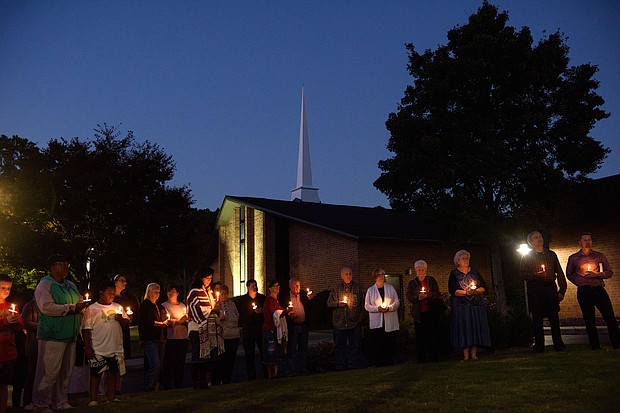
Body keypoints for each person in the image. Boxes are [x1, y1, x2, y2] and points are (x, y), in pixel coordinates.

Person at [32, 254, 86, 413]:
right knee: (49, 371)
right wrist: (70, 308)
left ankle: (61, 401)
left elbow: (79, 301)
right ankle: (41, 404)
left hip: (70, 334)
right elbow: (46, 307)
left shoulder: (70, 285)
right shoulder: (45, 285)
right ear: (52, 267)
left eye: (67, 264)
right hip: (52, 335)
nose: (66, 267)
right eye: (62, 264)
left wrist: (80, 308)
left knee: (66, 371)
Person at [566, 233, 620, 350]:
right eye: (585, 240)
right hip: (584, 290)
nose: (587, 242)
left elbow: (609, 272)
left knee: (609, 316)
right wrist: (579, 281)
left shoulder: (599, 256)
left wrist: (598, 275)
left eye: (589, 240)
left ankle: (617, 343)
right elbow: (569, 274)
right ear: (580, 242)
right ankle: (595, 345)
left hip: (598, 288)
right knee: (589, 319)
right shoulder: (574, 258)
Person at [519, 231, 567, 352]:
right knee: (537, 317)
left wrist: (562, 290)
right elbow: (522, 274)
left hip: (550, 288)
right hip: (536, 289)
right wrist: (535, 275)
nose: (539, 239)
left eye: (540, 236)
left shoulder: (551, 255)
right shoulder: (526, 257)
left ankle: (559, 344)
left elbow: (559, 272)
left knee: (554, 317)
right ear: (531, 242)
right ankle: (539, 345)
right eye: (536, 238)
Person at [82, 280, 127, 406]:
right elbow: (86, 329)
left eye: (113, 293)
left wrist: (121, 320)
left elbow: (126, 322)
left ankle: (111, 397)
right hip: (98, 347)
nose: (112, 295)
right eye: (109, 293)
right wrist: (87, 347)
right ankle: (93, 399)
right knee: (96, 374)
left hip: (114, 347)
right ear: (101, 293)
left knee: (112, 373)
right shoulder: (92, 309)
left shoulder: (118, 307)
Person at [449, 250, 492, 361]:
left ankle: (474, 354)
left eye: (467, 258)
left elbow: (483, 287)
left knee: (475, 327)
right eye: (463, 258)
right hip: (461, 307)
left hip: (475, 305)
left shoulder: (475, 272)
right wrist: (466, 293)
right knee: (464, 328)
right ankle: (465, 355)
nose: (466, 260)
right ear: (457, 260)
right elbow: (453, 290)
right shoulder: (454, 274)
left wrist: (474, 292)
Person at [186, 267, 222, 389]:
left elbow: (211, 309)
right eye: (207, 278)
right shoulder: (194, 292)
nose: (209, 281)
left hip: (208, 328)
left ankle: (205, 381)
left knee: (207, 355)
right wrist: (212, 311)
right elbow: (195, 310)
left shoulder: (208, 292)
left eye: (211, 279)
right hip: (197, 328)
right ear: (200, 278)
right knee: (198, 354)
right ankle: (197, 381)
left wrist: (216, 308)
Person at [326, 266, 365, 370]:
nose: (348, 276)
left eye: (350, 274)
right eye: (346, 274)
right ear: (341, 276)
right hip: (340, 323)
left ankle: (353, 366)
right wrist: (338, 304)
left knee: (355, 346)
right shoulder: (336, 288)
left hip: (354, 323)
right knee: (340, 347)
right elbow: (329, 303)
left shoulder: (358, 288)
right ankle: (340, 367)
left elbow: (363, 304)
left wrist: (360, 319)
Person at [406, 260, 442, 362]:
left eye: (422, 269)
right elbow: (409, 296)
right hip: (419, 314)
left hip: (431, 312)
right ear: (415, 270)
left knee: (432, 335)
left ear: (425, 270)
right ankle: (421, 358)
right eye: (419, 269)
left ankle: (433, 357)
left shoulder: (431, 281)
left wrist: (428, 295)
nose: (420, 271)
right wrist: (418, 298)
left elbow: (436, 293)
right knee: (420, 336)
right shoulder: (412, 283)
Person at [364, 268, 400, 366]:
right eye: (380, 275)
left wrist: (390, 308)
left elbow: (397, 302)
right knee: (378, 343)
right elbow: (367, 306)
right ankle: (379, 363)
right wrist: (377, 309)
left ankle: (390, 361)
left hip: (389, 321)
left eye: (383, 275)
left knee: (389, 342)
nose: (382, 277)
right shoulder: (370, 290)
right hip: (377, 323)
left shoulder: (390, 288)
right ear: (375, 277)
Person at [138, 283, 169, 391]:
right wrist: (161, 324)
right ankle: (147, 387)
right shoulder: (145, 305)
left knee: (159, 365)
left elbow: (163, 318)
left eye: (159, 292)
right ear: (149, 292)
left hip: (160, 338)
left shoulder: (159, 306)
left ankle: (155, 386)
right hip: (150, 338)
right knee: (155, 364)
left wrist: (167, 321)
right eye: (155, 291)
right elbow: (147, 321)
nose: (158, 294)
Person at [0, 274, 24, 413]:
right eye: (2, 288)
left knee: (4, 384)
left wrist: (15, 323)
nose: (6, 291)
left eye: (8, 288)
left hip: (9, 352)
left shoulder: (11, 307)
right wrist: (4, 321)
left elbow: (20, 328)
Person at [279, 277, 313, 376]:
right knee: (292, 349)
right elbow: (282, 311)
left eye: (299, 285)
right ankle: (291, 371)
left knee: (303, 349)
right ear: (290, 286)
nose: (298, 287)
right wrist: (289, 314)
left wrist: (310, 300)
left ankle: (303, 369)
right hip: (292, 327)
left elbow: (310, 308)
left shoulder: (302, 295)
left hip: (303, 326)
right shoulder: (285, 297)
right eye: (295, 285)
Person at [236, 279, 266, 380]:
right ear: (248, 287)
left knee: (263, 352)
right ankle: (251, 376)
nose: (255, 287)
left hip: (259, 328)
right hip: (248, 329)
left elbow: (266, 311)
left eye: (255, 285)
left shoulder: (262, 298)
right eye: (252, 285)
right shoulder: (243, 300)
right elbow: (240, 314)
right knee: (249, 354)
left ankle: (266, 374)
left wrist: (261, 311)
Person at [160, 285, 189, 389]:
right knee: (169, 362)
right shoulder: (164, 305)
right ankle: (167, 384)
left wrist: (184, 320)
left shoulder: (183, 306)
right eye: (169, 291)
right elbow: (166, 320)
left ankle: (179, 384)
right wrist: (178, 321)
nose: (171, 293)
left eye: (173, 291)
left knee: (180, 363)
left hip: (183, 337)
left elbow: (187, 318)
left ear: (177, 293)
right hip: (171, 338)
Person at [262, 280, 290, 379]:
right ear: (269, 288)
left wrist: (287, 312)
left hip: (275, 330)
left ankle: (276, 374)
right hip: (270, 330)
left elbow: (280, 311)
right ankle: (270, 375)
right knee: (270, 352)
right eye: (274, 286)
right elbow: (274, 314)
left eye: (278, 286)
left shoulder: (275, 300)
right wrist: (284, 312)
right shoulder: (269, 300)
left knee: (276, 352)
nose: (277, 288)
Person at [212, 285, 240, 385]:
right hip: (223, 336)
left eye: (225, 294)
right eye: (222, 294)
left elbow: (236, 316)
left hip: (234, 335)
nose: (224, 296)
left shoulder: (232, 304)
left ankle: (227, 380)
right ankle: (218, 380)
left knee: (231, 360)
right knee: (221, 360)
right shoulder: (216, 305)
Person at [112, 274, 139, 360]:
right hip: (115, 328)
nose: (125, 283)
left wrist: (129, 316)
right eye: (122, 281)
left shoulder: (125, 297)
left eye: (125, 281)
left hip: (125, 327)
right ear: (115, 282)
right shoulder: (112, 298)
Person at [21, 298, 39, 411]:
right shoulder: (30, 305)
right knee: (32, 373)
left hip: (46, 345)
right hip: (34, 345)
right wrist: (41, 326)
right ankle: (28, 401)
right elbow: (25, 322)